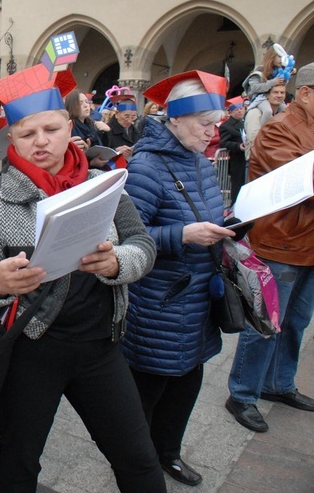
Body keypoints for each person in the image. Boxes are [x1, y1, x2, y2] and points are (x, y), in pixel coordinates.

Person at [0, 61, 165, 493]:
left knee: (137, 457)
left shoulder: (104, 183)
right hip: (30, 350)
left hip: (101, 346)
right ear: (12, 138)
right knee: (20, 461)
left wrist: (116, 264)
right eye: (27, 133)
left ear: (68, 125)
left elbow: (142, 245)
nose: (40, 142)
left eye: (51, 130)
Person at [121, 71, 236, 487]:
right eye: (205, 124)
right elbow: (127, 234)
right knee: (149, 389)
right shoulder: (147, 165)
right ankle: (140, 462)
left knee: (187, 382)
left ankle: (168, 452)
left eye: (216, 124)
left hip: (197, 299)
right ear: (177, 118)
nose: (212, 132)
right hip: (161, 302)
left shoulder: (199, 160)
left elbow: (208, 213)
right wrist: (182, 235)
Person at [226, 62, 314, 432]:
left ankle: (278, 384)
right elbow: (302, 182)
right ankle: (243, 394)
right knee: (266, 322)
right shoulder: (282, 129)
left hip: (307, 242)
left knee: (296, 321)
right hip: (281, 241)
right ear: (307, 93)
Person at [242, 45, 291, 125]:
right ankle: (264, 132)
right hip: (261, 98)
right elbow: (255, 88)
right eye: (279, 56)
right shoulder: (260, 71)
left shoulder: (279, 71)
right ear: (272, 57)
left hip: (274, 97)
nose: (281, 59)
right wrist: (273, 82)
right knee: (268, 111)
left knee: (286, 112)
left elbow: (282, 87)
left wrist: (287, 76)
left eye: (283, 56)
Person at [244, 84, 286, 158]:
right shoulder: (255, 113)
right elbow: (254, 138)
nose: (279, 95)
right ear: (266, 95)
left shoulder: (281, 113)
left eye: (282, 93)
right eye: (275, 92)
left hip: (275, 158)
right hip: (257, 160)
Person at [219, 96, 247, 203]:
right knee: (238, 185)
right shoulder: (226, 126)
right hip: (238, 159)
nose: (240, 111)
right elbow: (224, 143)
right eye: (236, 109)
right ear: (230, 112)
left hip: (250, 157)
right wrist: (238, 146)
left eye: (241, 108)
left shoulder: (249, 121)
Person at [108, 94, 141, 160]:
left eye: (133, 116)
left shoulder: (136, 131)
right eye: (126, 116)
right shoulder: (106, 130)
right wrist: (115, 151)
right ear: (117, 114)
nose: (129, 121)